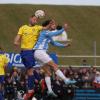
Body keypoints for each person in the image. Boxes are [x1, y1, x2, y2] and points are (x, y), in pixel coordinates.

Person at [33, 19, 76, 97]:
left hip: (37, 53)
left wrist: (64, 46)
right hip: (40, 51)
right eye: (53, 24)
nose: (54, 26)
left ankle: (49, 90)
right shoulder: (45, 32)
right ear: (48, 25)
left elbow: (54, 43)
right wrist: (63, 29)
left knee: (48, 72)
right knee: (54, 65)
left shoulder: (47, 34)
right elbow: (56, 33)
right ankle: (65, 80)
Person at [14, 14, 47, 99]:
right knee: (29, 69)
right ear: (30, 19)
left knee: (30, 71)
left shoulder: (37, 27)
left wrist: (50, 25)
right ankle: (40, 80)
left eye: (36, 20)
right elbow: (18, 36)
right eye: (34, 19)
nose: (35, 21)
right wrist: (16, 41)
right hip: (23, 52)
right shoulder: (23, 27)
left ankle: (30, 90)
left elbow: (45, 28)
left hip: (30, 51)